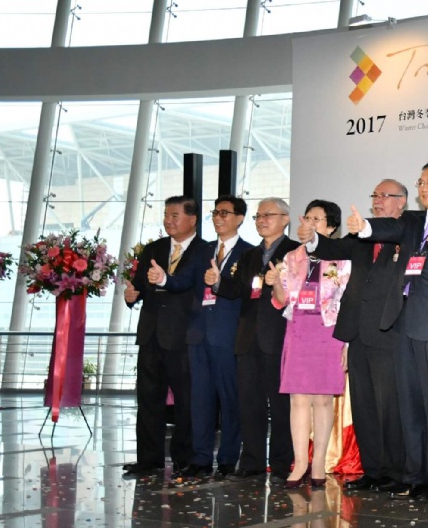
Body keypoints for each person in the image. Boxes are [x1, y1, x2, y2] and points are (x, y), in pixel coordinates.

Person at [344, 161, 428, 502]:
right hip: (404, 323)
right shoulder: (412, 220)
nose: (425, 187)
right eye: (421, 182)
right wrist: (363, 227)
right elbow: (386, 228)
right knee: (410, 405)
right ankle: (416, 475)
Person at [301, 180, 408, 493]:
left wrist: (366, 227)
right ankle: (373, 470)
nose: (377, 200)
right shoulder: (361, 237)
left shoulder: (407, 231)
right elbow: (333, 249)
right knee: (364, 406)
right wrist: (312, 239)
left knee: (389, 407)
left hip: (389, 333)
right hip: (358, 332)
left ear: (402, 201)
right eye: (374, 195)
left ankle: (395, 472)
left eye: (385, 196)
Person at [212, 198, 300, 482]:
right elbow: (237, 290)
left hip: (280, 336)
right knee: (249, 403)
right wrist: (217, 281)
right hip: (248, 338)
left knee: (281, 405)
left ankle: (282, 464)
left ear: (285, 219)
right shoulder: (249, 255)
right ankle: (252, 462)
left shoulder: (296, 252)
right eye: (258, 216)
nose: (262, 220)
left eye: (268, 215)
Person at [121, 195, 207, 478]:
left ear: (192, 219)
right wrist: (131, 295)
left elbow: (193, 288)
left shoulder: (204, 251)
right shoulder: (154, 248)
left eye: (175, 216)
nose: (168, 221)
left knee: (186, 400)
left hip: (184, 336)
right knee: (148, 398)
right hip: (151, 334)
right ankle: (149, 459)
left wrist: (164, 281)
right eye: (166, 215)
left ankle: (184, 458)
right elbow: (139, 285)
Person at [272, 200, 350, 489]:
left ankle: (318, 464)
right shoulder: (292, 257)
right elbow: (281, 299)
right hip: (298, 330)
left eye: (317, 219)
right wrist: (274, 282)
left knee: (323, 399)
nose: (310, 223)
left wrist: (347, 343)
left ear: (331, 227)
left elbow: (349, 302)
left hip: (330, 331)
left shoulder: (342, 259)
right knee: (298, 399)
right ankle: (300, 463)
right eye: (308, 217)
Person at [178, 195, 253, 478]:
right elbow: (183, 281)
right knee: (200, 399)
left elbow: (246, 292)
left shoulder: (249, 253)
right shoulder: (202, 251)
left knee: (230, 399)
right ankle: (200, 457)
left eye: (224, 213)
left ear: (239, 218)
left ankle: (228, 457)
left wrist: (220, 282)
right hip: (199, 335)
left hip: (229, 336)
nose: (218, 218)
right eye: (215, 212)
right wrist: (163, 279)